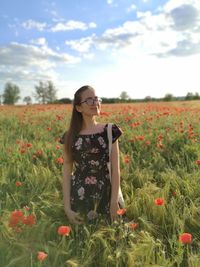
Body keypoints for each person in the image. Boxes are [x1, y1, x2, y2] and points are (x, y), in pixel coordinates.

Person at [59, 85, 123, 224]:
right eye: (89, 100)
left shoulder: (110, 130)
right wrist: (67, 208)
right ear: (78, 108)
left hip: (106, 196)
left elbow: (115, 170)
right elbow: (66, 173)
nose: (95, 103)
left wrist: (113, 203)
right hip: (79, 199)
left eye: (96, 99)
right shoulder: (69, 136)